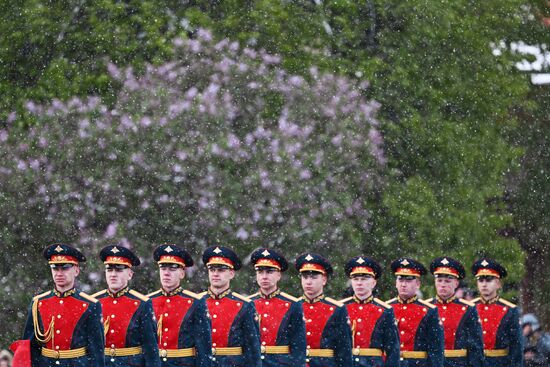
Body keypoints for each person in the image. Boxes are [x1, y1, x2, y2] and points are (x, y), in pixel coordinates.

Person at [19, 243, 104, 367]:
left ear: (76, 270)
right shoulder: (38, 303)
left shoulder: (90, 305)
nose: (59, 273)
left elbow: (96, 350)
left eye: (64, 268)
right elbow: (29, 347)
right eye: (55, 268)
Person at [92, 245, 159, 367]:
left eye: (119, 270)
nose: (113, 274)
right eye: (109, 269)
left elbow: (150, 349)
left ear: (130, 274)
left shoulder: (142, 304)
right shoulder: (94, 302)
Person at [147, 245, 212, 367]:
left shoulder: (195, 303)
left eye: (172, 269)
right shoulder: (148, 301)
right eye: (163, 268)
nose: (166, 273)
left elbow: (203, 348)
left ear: (182, 273)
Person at [199, 246, 261, 367]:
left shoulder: (245, 305)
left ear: (231, 273)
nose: (215, 274)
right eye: (212, 270)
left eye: (221, 270)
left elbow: (252, 349)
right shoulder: (196, 302)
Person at [249, 248, 306, 367]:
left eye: (269, 272)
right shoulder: (248, 303)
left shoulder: (293, 304)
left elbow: (298, 346)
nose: (264, 276)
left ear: (279, 275)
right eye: (260, 272)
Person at [340, 256, 400, 367]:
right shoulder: (340, 308)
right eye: (355, 279)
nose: (359, 283)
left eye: (364, 279)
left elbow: (393, 350)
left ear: (373, 283)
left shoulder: (384, 310)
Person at [295, 252, 353, 367]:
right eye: (305, 277)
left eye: (313, 277)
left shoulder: (337, 309)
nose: (308, 281)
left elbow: (344, 350)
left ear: (324, 279)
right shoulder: (293, 306)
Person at [426, 257, 484, 367]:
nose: (442, 284)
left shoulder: (468, 309)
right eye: (439, 280)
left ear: (456, 283)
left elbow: (475, 347)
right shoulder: (426, 307)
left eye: (447, 281)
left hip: (458, 363)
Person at [387, 258, 444, 367]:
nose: (403, 284)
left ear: (418, 284)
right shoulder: (386, 308)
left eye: (408, 280)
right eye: (400, 280)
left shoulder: (429, 311)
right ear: (396, 283)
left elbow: (435, 349)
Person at [472, 258, 523, 367]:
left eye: (489, 280)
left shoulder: (510, 310)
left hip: (499, 363)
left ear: (498, 284)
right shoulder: (469, 308)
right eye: (481, 280)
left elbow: (516, 346)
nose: (484, 284)